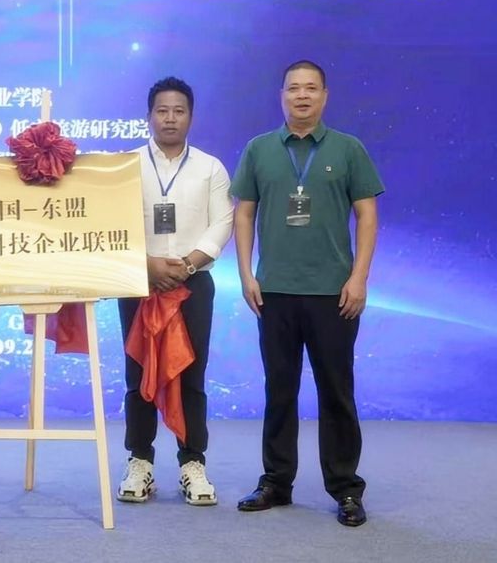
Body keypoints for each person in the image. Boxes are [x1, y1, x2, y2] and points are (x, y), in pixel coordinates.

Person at [230, 60, 384, 527]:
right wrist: (245, 274)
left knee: (336, 392)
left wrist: (359, 278)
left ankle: (346, 488)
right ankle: (276, 482)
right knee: (279, 390)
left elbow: (367, 215)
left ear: (325, 96)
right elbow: (243, 213)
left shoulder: (348, 148)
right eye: (293, 88)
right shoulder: (259, 149)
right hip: (273, 291)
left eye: (311, 88)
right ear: (282, 96)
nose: (302, 95)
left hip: (334, 293)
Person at [116, 76, 234, 506]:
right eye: (162, 110)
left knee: (191, 373)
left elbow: (222, 223)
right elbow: (115, 223)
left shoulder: (210, 167)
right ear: (149, 116)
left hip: (192, 284)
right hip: (138, 282)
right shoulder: (125, 166)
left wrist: (186, 265)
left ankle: (192, 462)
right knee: (139, 375)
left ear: (191, 117)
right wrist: (148, 265)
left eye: (178, 111)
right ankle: (139, 461)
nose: (170, 118)